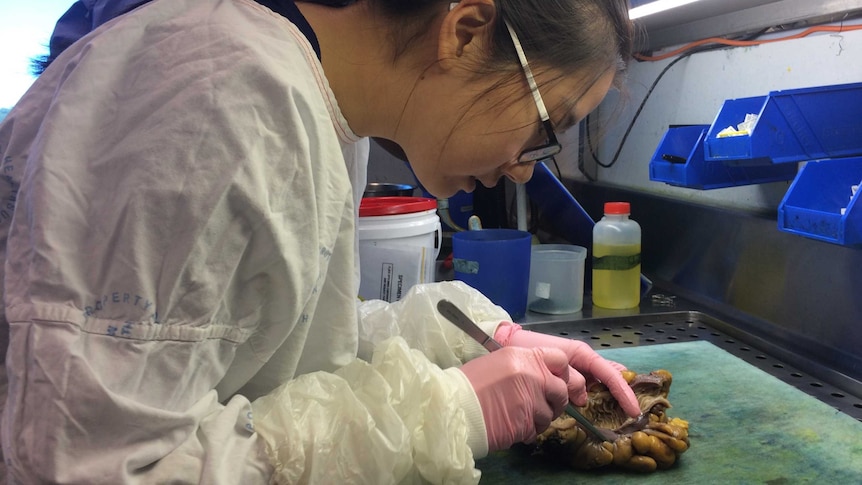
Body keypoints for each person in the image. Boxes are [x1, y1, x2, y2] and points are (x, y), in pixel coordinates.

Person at [0, 0, 640, 482]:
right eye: (546, 127)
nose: (528, 168)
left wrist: (463, 337)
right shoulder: (225, 94)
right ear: (467, 32)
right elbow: (94, 465)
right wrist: (437, 415)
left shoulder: (326, 110)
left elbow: (270, 330)